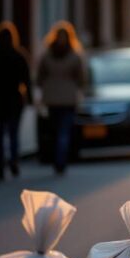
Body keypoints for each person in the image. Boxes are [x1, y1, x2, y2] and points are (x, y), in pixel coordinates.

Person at [0, 22, 31, 181]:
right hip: (14, 101)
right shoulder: (18, 55)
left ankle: (1, 167)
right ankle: (14, 161)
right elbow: (26, 79)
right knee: (13, 133)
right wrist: (29, 98)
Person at [36, 21, 86, 174]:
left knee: (55, 130)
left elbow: (39, 77)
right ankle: (61, 161)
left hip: (52, 99)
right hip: (68, 98)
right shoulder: (74, 56)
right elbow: (81, 78)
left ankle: (57, 159)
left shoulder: (47, 55)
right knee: (64, 132)